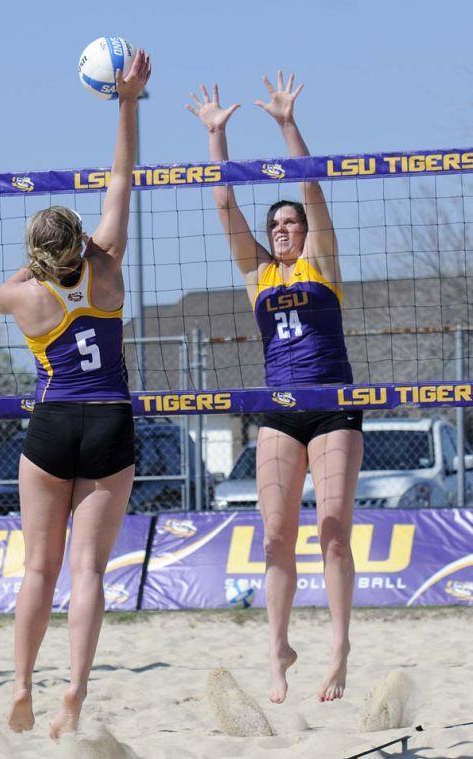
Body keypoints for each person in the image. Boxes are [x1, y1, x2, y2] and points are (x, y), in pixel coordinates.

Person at [187, 73, 363, 704]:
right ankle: (278, 648)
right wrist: (217, 135)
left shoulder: (323, 263)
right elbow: (224, 206)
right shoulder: (257, 272)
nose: (287, 228)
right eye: (279, 223)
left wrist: (287, 123)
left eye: (293, 222)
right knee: (275, 534)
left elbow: (313, 186)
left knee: (334, 531)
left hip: (333, 406)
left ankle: (340, 647)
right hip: (279, 411)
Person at [0, 50, 151, 739]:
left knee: (38, 568)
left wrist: (41, 264)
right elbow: (122, 177)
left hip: (52, 421)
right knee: (87, 570)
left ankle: (23, 683)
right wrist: (127, 100)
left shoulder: (17, 296)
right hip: (110, 420)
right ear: (81, 241)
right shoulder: (108, 265)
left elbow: (20, 282)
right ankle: (76, 690)